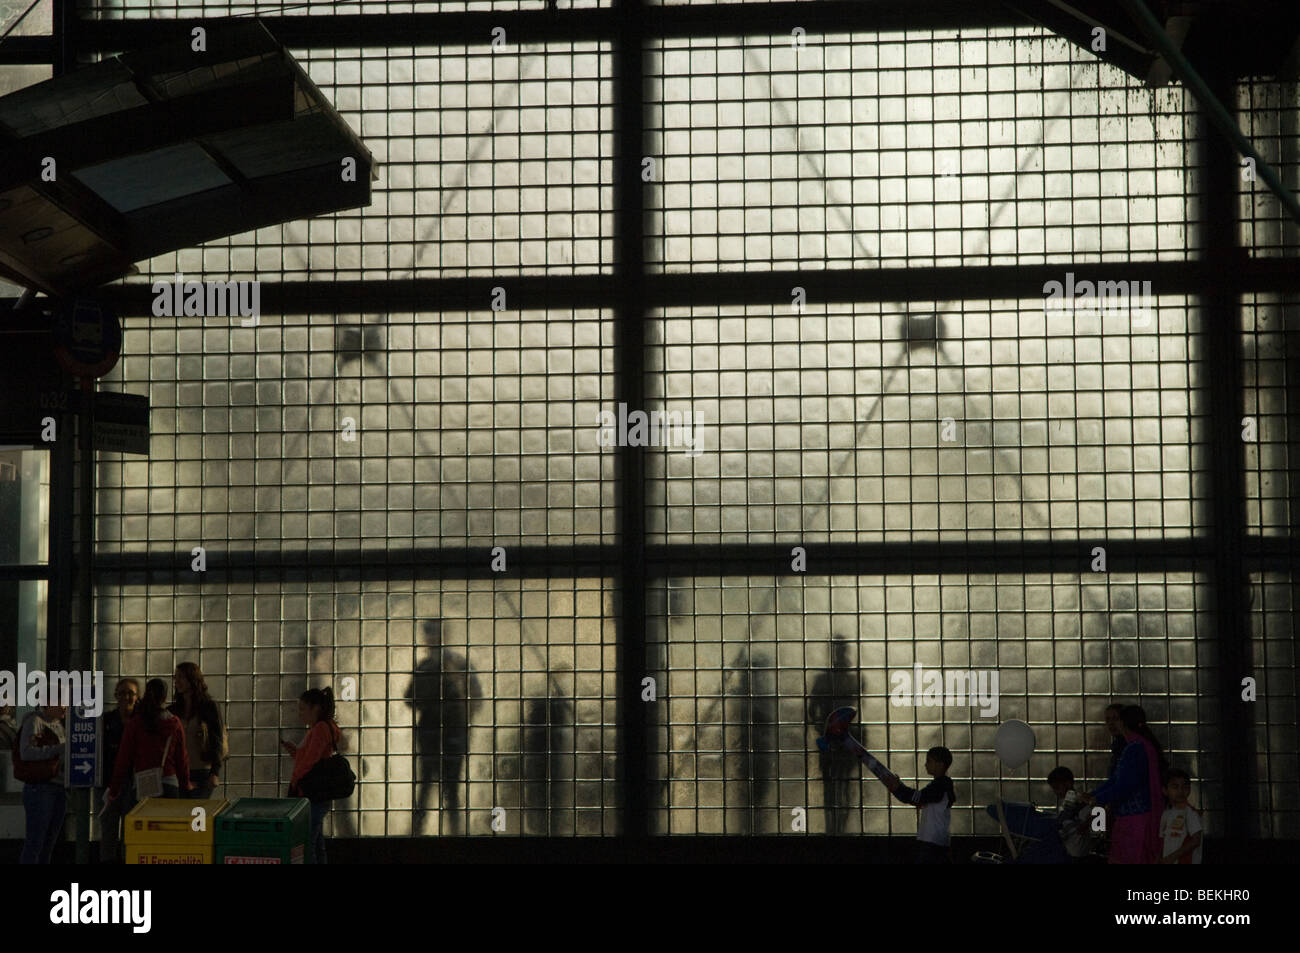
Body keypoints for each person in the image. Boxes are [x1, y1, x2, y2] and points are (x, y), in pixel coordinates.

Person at [1082, 705, 1165, 864]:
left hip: (1134, 818)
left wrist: (1096, 798)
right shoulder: (1140, 745)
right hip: (1135, 815)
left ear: (1123, 722)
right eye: (1108, 719)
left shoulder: (1134, 748)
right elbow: (1117, 780)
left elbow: (1124, 784)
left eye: (1116, 719)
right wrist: (1095, 795)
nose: (1112, 724)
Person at [282, 687, 342, 864]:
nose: (300, 714)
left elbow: (310, 761)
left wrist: (295, 782)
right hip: (320, 794)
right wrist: (296, 751)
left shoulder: (320, 729)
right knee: (316, 843)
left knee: (307, 845)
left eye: (302, 709)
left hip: (311, 794)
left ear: (315, 709)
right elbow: (314, 757)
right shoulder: (326, 727)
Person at [106, 679, 190, 804]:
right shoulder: (174, 722)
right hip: (169, 784)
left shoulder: (136, 723)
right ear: (164, 698)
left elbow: (123, 759)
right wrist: (185, 784)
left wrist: (114, 790)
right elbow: (181, 758)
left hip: (144, 783)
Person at [882, 746, 956, 863]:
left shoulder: (940, 785)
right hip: (937, 841)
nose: (925, 764)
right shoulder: (942, 785)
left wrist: (898, 788)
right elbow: (917, 799)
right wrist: (897, 788)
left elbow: (918, 798)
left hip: (932, 842)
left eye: (929, 761)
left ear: (940, 765)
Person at [169, 662, 226, 799]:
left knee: (195, 812)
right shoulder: (174, 710)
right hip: (180, 771)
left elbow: (217, 739)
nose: (177, 681)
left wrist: (215, 772)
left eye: (181, 677)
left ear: (192, 679)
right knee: (181, 814)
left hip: (202, 770)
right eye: (175, 678)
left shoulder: (209, 706)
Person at [18, 704, 67, 864]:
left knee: (47, 845)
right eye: (61, 702)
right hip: (41, 787)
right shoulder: (34, 721)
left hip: (58, 786)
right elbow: (26, 752)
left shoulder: (59, 724)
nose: (65, 707)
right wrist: (57, 749)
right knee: (35, 844)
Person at [99, 678, 140, 863]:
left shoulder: (143, 722)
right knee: (108, 829)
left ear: (137, 697)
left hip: (135, 783)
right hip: (110, 784)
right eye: (122, 693)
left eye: (130, 693)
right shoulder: (106, 721)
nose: (126, 697)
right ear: (116, 695)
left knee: (130, 832)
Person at [1047, 765, 1092, 860]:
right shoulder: (1068, 802)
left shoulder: (1081, 802)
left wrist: (1086, 824)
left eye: (1057, 787)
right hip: (1072, 851)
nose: (1055, 792)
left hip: (1077, 854)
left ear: (1068, 784)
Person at [1159, 769, 1204, 864]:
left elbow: (1196, 841)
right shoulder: (1166, 814)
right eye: (1175, 787)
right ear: (1165, 790)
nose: (1181, 791)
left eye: (1185, 787)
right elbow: (1162, 841)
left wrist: (1171, 857)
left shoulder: (1191, 813)